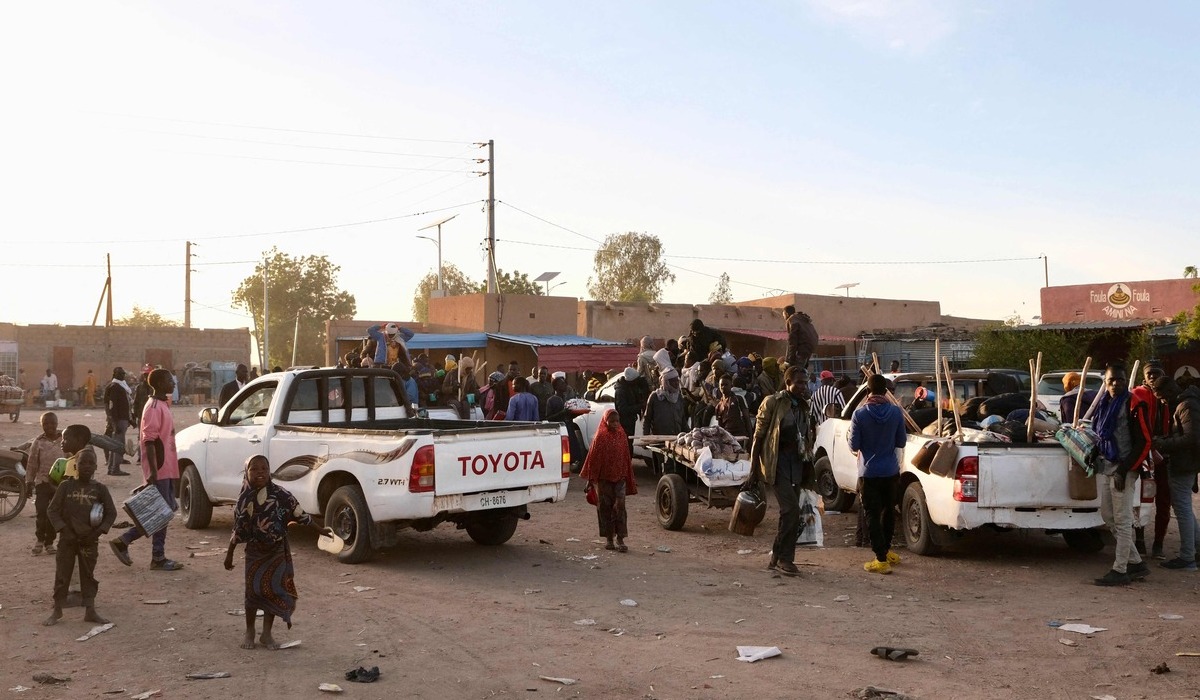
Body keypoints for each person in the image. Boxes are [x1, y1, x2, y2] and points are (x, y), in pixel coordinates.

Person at [224, 455, 330, 649]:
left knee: (272, 590)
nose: (260, 472)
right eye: (254, 469)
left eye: (264, 468)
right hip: (255, 552)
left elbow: (300, 514)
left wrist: (320, 530)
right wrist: (229, 553)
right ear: (246, 473)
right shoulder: (244, 499)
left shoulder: (281, 495)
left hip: (277, 551)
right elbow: (238, 529)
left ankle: (266, 634)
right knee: (253, 592)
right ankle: (250, 631)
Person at [110, 369, 183, 572]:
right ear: (160, 383)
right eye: (170, 380)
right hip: (159, 468)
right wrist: (152, 471)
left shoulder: (162, 405)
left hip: (167, 467)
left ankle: (132, 544)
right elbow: (149, 441)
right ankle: (148, 552)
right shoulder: (152, 407)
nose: (173, 383)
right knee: (162, 512)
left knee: (164, 512)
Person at [748, 365, 814, 576]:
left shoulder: (802, 405)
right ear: (788, 383)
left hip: (797, 464)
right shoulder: (772, 403)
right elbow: (758, 437)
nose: (804, 386)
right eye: (799, 383)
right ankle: (786, 559)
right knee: (791, 510)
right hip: (777, 464)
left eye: (806, 382)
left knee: (790, 514)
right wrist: (753, 471)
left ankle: (777, 557)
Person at [1091, 363, 1150, 586]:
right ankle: (1135, 562)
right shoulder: (1104, 404)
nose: (1116, 383)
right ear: (1105, 383)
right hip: (1107, 465)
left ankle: (1120, 569)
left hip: (1125, 468)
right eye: (1111, 380)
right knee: (1108, 516)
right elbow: (1101, 436)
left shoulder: (1134, 403)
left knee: (1123, 521)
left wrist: (1125, 470)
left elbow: (1144, 441)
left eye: (1120, 380)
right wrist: (1094, 452)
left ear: (1127, 381)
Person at [44, 446, 116, 627]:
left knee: (88, 575)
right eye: (82, 462)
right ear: (75, 466)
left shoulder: (100, 489)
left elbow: (111, 513)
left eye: (91, 463)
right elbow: (52, 510)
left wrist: (97, 533)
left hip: (89, 541)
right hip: (67, 541)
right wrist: (63, 530)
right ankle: (57, 610)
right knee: (62, 575)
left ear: (96, 467)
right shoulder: (65, 486)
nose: (87, 466)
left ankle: (90, 610)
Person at [849, 374, 907, 575]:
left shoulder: (860, 415)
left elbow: (854, 445)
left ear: (868, 391)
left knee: (872, 514)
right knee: (889, 511)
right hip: (891, 470)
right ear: (886, 392)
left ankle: (880, 559)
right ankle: (887, 550)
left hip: (869, 472)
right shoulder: (896, 412)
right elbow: (901, 442)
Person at [1151, 376, 1200, 572]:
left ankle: (1187, 557)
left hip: (1184, 464)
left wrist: (1163, 443)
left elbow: (1191, 438)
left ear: (1170, 391)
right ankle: (1194, 549)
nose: (1163, 402)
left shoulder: (1187, 405)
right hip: (1185, 463)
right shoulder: (1186, 403)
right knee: (1185, 508)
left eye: (1163, 398)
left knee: (1182, 510)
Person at [580, 409, 637, 553]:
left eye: (617, 421)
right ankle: (609, 539)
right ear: (606, 421)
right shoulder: (601, 437)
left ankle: (621, 539)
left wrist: (627, 476)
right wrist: (590, 479)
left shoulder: (621, 435)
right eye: (612, 421)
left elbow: (625, 457)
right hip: (604, 480)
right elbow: (593, 460)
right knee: (605, 508)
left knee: (620, 508)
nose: (615, 424)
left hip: (620, 478)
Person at [1131, 363, 1171, 558]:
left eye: (1157, 374)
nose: (1153, 377)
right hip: (1144, 454)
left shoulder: (1169, 397)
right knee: (1141, 499)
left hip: (1166, 455)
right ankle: (1139, 541)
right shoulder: (1137, 394)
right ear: (1144, 377)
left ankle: (1159, 543)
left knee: (1164, 500)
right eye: (1149, 374)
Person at [26, 411, 63, 556]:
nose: (50, 426)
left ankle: (50, 543)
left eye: (52, 423)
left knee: (53, 514)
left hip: (59, 484)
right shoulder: (38, 442)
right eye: (46, 423)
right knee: (41, 513)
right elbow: (32, 464)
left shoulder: (63, 439)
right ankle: (39, 540)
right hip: (42, 482)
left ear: (57, 423)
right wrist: (29, 482)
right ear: (42, 425)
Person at [103, 367, 133, 477]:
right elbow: (112, 406)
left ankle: (112, 468)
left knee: (115, 445)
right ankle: (115, 468)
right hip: (118, 420)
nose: (123, 375)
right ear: (115, 374)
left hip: (121, 419)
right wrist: (115, 424)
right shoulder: (115, 387)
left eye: (123, 374)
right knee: (118, 445)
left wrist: (130, 419)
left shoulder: (120, 386)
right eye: (121, 374)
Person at [643, 371, 687, 438]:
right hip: (658, 438)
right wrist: (645, 437)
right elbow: (647, 419)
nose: (676, 383)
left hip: (675, 438)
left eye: (677, 381)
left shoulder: (678, 397)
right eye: (673, 381)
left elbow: (683, 420)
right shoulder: (655, 396)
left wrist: (689, 435)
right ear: (666, 382)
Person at [614, 368, 643, 451]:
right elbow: (623, 409)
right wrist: (639, 406)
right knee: (626, 446)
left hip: (630, 421)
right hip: (624, 422)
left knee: (629, 444)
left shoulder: (630, 387)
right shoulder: (621, 391)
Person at [784, 305, 819, 369]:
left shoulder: (792, 320)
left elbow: (792, 341)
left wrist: (790, 361)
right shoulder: (802, 319)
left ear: (786, 314)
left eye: (783, 315)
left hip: (803, 348)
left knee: (795, 371)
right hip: (810, 347)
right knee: (803, 369)